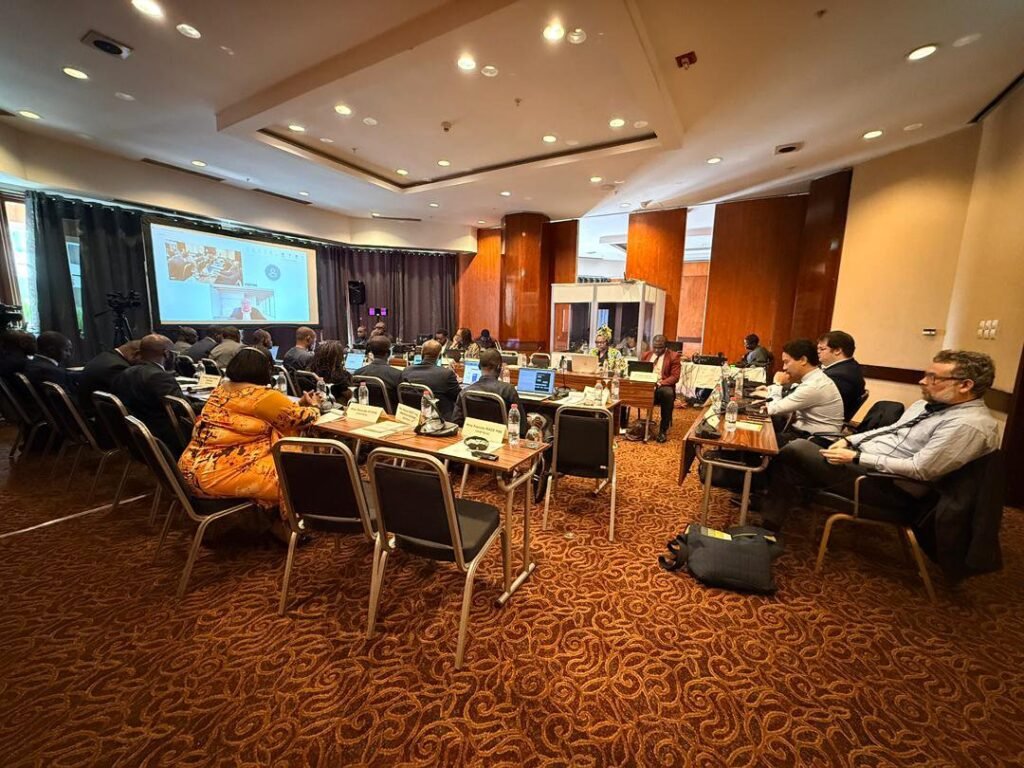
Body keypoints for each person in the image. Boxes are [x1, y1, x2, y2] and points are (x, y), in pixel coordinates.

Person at [760, 350, 1000, 531]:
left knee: (797, 448)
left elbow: (921, 469)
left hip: (888, 486)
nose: (922, 381)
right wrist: (850, 441)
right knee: (791, 459)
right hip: (863, 464)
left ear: (965, 385)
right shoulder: (927, 405)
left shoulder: (968, 425)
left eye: (933, 377)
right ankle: (769, 521)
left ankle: (765, 511)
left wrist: (858, 457)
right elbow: (890, 429)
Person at [178, 347, 322, 508]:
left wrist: (299, 403)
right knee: (298, 474)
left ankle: (270, 516)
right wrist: (315, 406)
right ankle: (300, 518)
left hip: (189, 469)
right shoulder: (263, 395)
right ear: (265, 370)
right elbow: (303, 419)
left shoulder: (221, 389)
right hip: (218, 475)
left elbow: (281, 413)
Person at [755, 339, 844, 440]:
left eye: (786, 362)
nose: (784, 368)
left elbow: (773, 409)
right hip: (805, 435)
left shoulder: (814, 385)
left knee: (759, 438)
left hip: (814, 440)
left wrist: (777, 384)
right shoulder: (815, 379)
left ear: (803, 360)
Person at [113, 334, 185, 455]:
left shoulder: (125, 372)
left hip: (137, 438)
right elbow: (183, 408)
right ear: (167, 354)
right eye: (174, 354)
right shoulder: (159, 376)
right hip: (165, 439)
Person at [451, 348, 527, 436]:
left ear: (479, 367)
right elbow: (521, 427)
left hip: (473, 438)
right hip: (501, 439)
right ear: (499, 367)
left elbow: (456, 423)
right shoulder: (508, 390)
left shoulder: (465, 392)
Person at [401, 339, 461, 420]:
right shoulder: (446, 374)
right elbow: (459, 397)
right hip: (440, 419)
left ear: (422, 354)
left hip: (412, 416)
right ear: (439, 355)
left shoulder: (406, 371)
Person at [78, 339, 142, 415]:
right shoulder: (118, 367)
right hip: (98, 417)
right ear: (136, 354)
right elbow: (132, 401)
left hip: (92, 412)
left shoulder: (105, 357)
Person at [817, 330, 866, 421]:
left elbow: (811, 398)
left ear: (837, 350)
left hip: (822, 421)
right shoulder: (850, 366)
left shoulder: (840, 376)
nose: (818, 352)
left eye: (822, 349)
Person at [641, 335, 682, 442]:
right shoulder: (646, 355)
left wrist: (660, 383)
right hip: (646, 386)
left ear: (666, 346)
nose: (657, 350)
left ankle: (663, 430)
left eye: (660, 347)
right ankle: (622, 425)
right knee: (624, 389)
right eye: (655, 347)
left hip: (662, 387)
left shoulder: (674, 356)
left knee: (668, 393)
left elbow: (675, 377)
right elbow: (639, 371)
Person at [355, 335, 402, 408]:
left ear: (372, 352)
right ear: (388, 353)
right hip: (389, 413)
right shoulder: (397, 375)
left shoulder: (358, 373)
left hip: (365, 411)